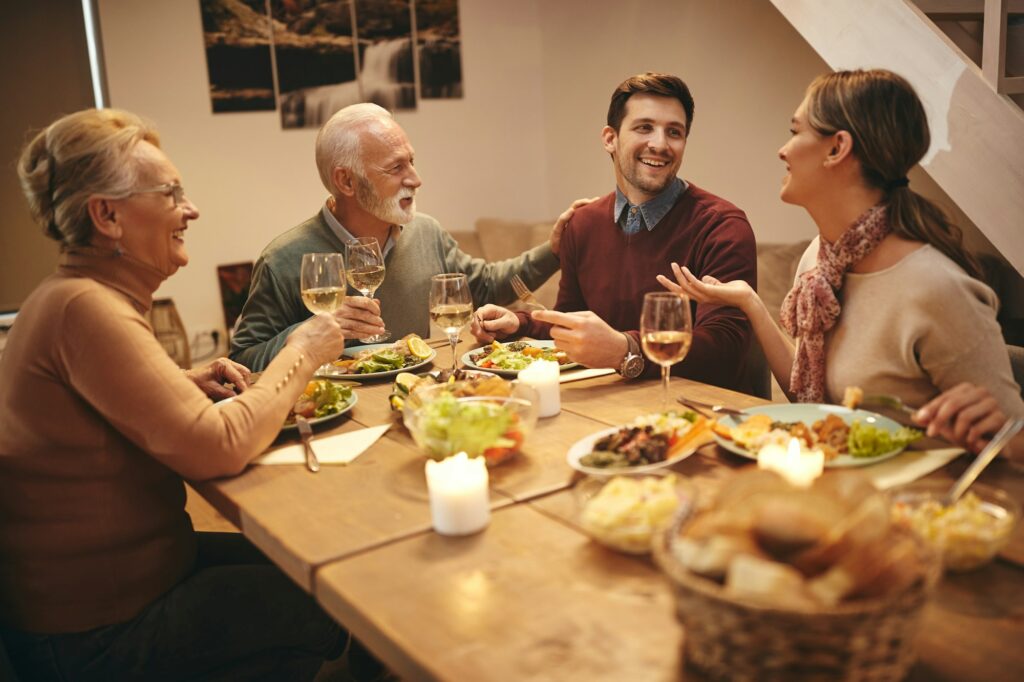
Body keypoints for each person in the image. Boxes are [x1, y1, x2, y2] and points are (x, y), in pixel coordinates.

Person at [0, 109, 362, 681]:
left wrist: (181, 383)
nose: (189, 210)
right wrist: (306, 347)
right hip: (94, 633)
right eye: (170, 194)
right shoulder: (85, 308)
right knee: (325, 602)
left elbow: (96, 417)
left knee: (317, 569)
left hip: (134, 582)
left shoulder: (73, 297)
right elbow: (220, 445)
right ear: (107, 216)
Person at [661, 68, 1023, 455]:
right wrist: (751, 303)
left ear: (837, 148)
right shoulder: (818, 261)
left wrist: (1009, 438)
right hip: (834, 496)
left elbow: (1013, 439)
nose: (783, 150)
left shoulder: (937, 289)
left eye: (795, 131)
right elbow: (809, 402)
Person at [230, 102, 582, 372]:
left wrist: (553, 251)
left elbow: (487, 286)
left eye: (411, 161)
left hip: (413, 404)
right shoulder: (284, 259)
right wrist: (307, 334)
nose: (415, 178)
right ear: (347, 181)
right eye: (396, 168)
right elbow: (244, 360)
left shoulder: (425, 231)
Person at [471, 72, 757, 389]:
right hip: (613, 407)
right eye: (644, 127)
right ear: (610, 138)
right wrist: (518, 323)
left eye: (674, 132)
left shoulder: (722, 226)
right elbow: (572, 324)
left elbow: (726, 348)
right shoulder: (582, 224)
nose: (660, 144)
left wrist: (625, 349)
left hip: (703, 415)